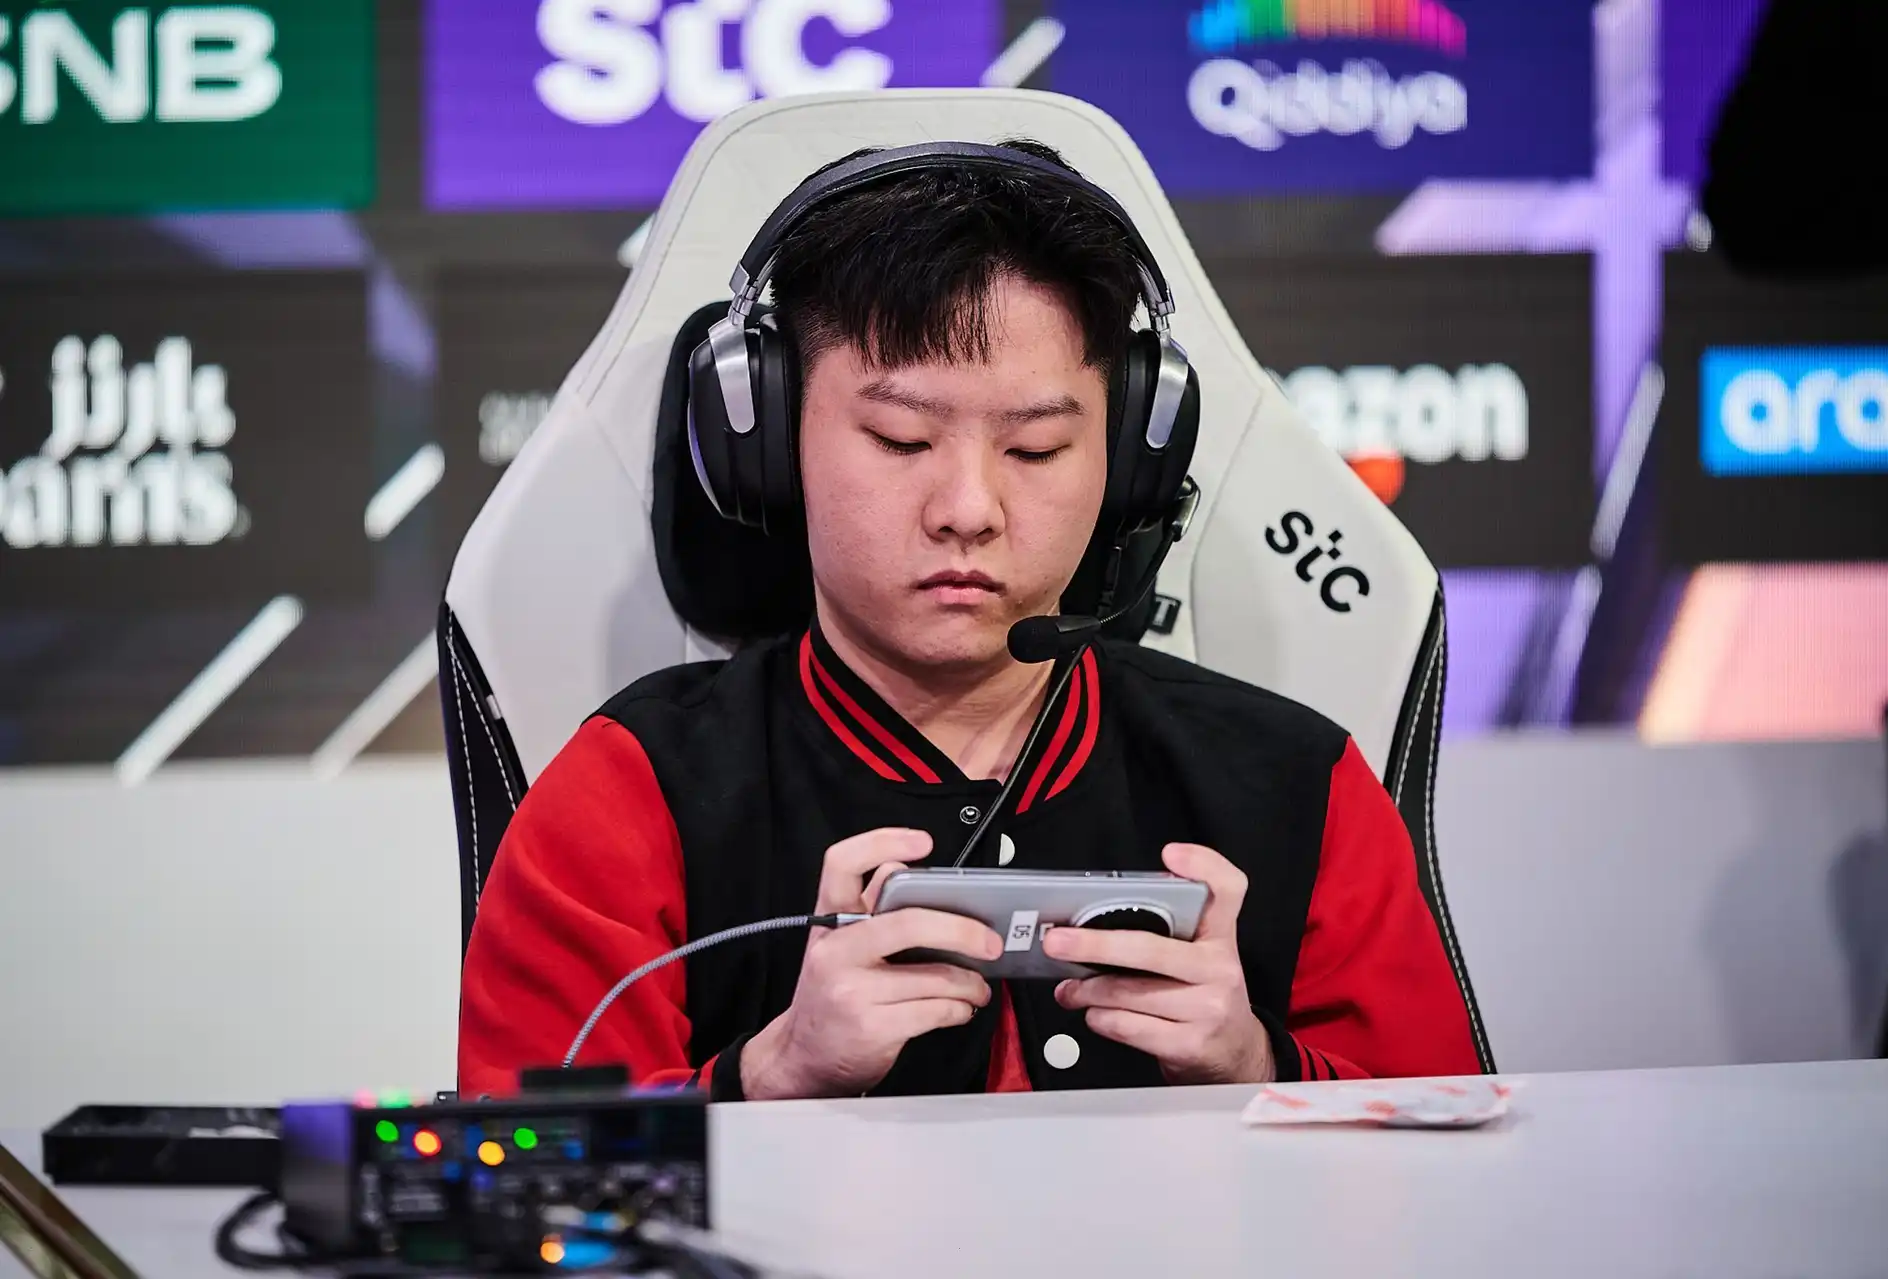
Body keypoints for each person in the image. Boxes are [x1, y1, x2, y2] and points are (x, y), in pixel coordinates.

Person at [458, 140, 1482, 1100]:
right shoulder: (623, 795)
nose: (968, 509)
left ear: (1132, 464)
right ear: (766, 446)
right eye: (901, 440)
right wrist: (771, 1074)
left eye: (1035, 450)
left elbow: (1454, 1165)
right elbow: (534, 1180)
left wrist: (1261, 1064)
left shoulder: (1304, 784)